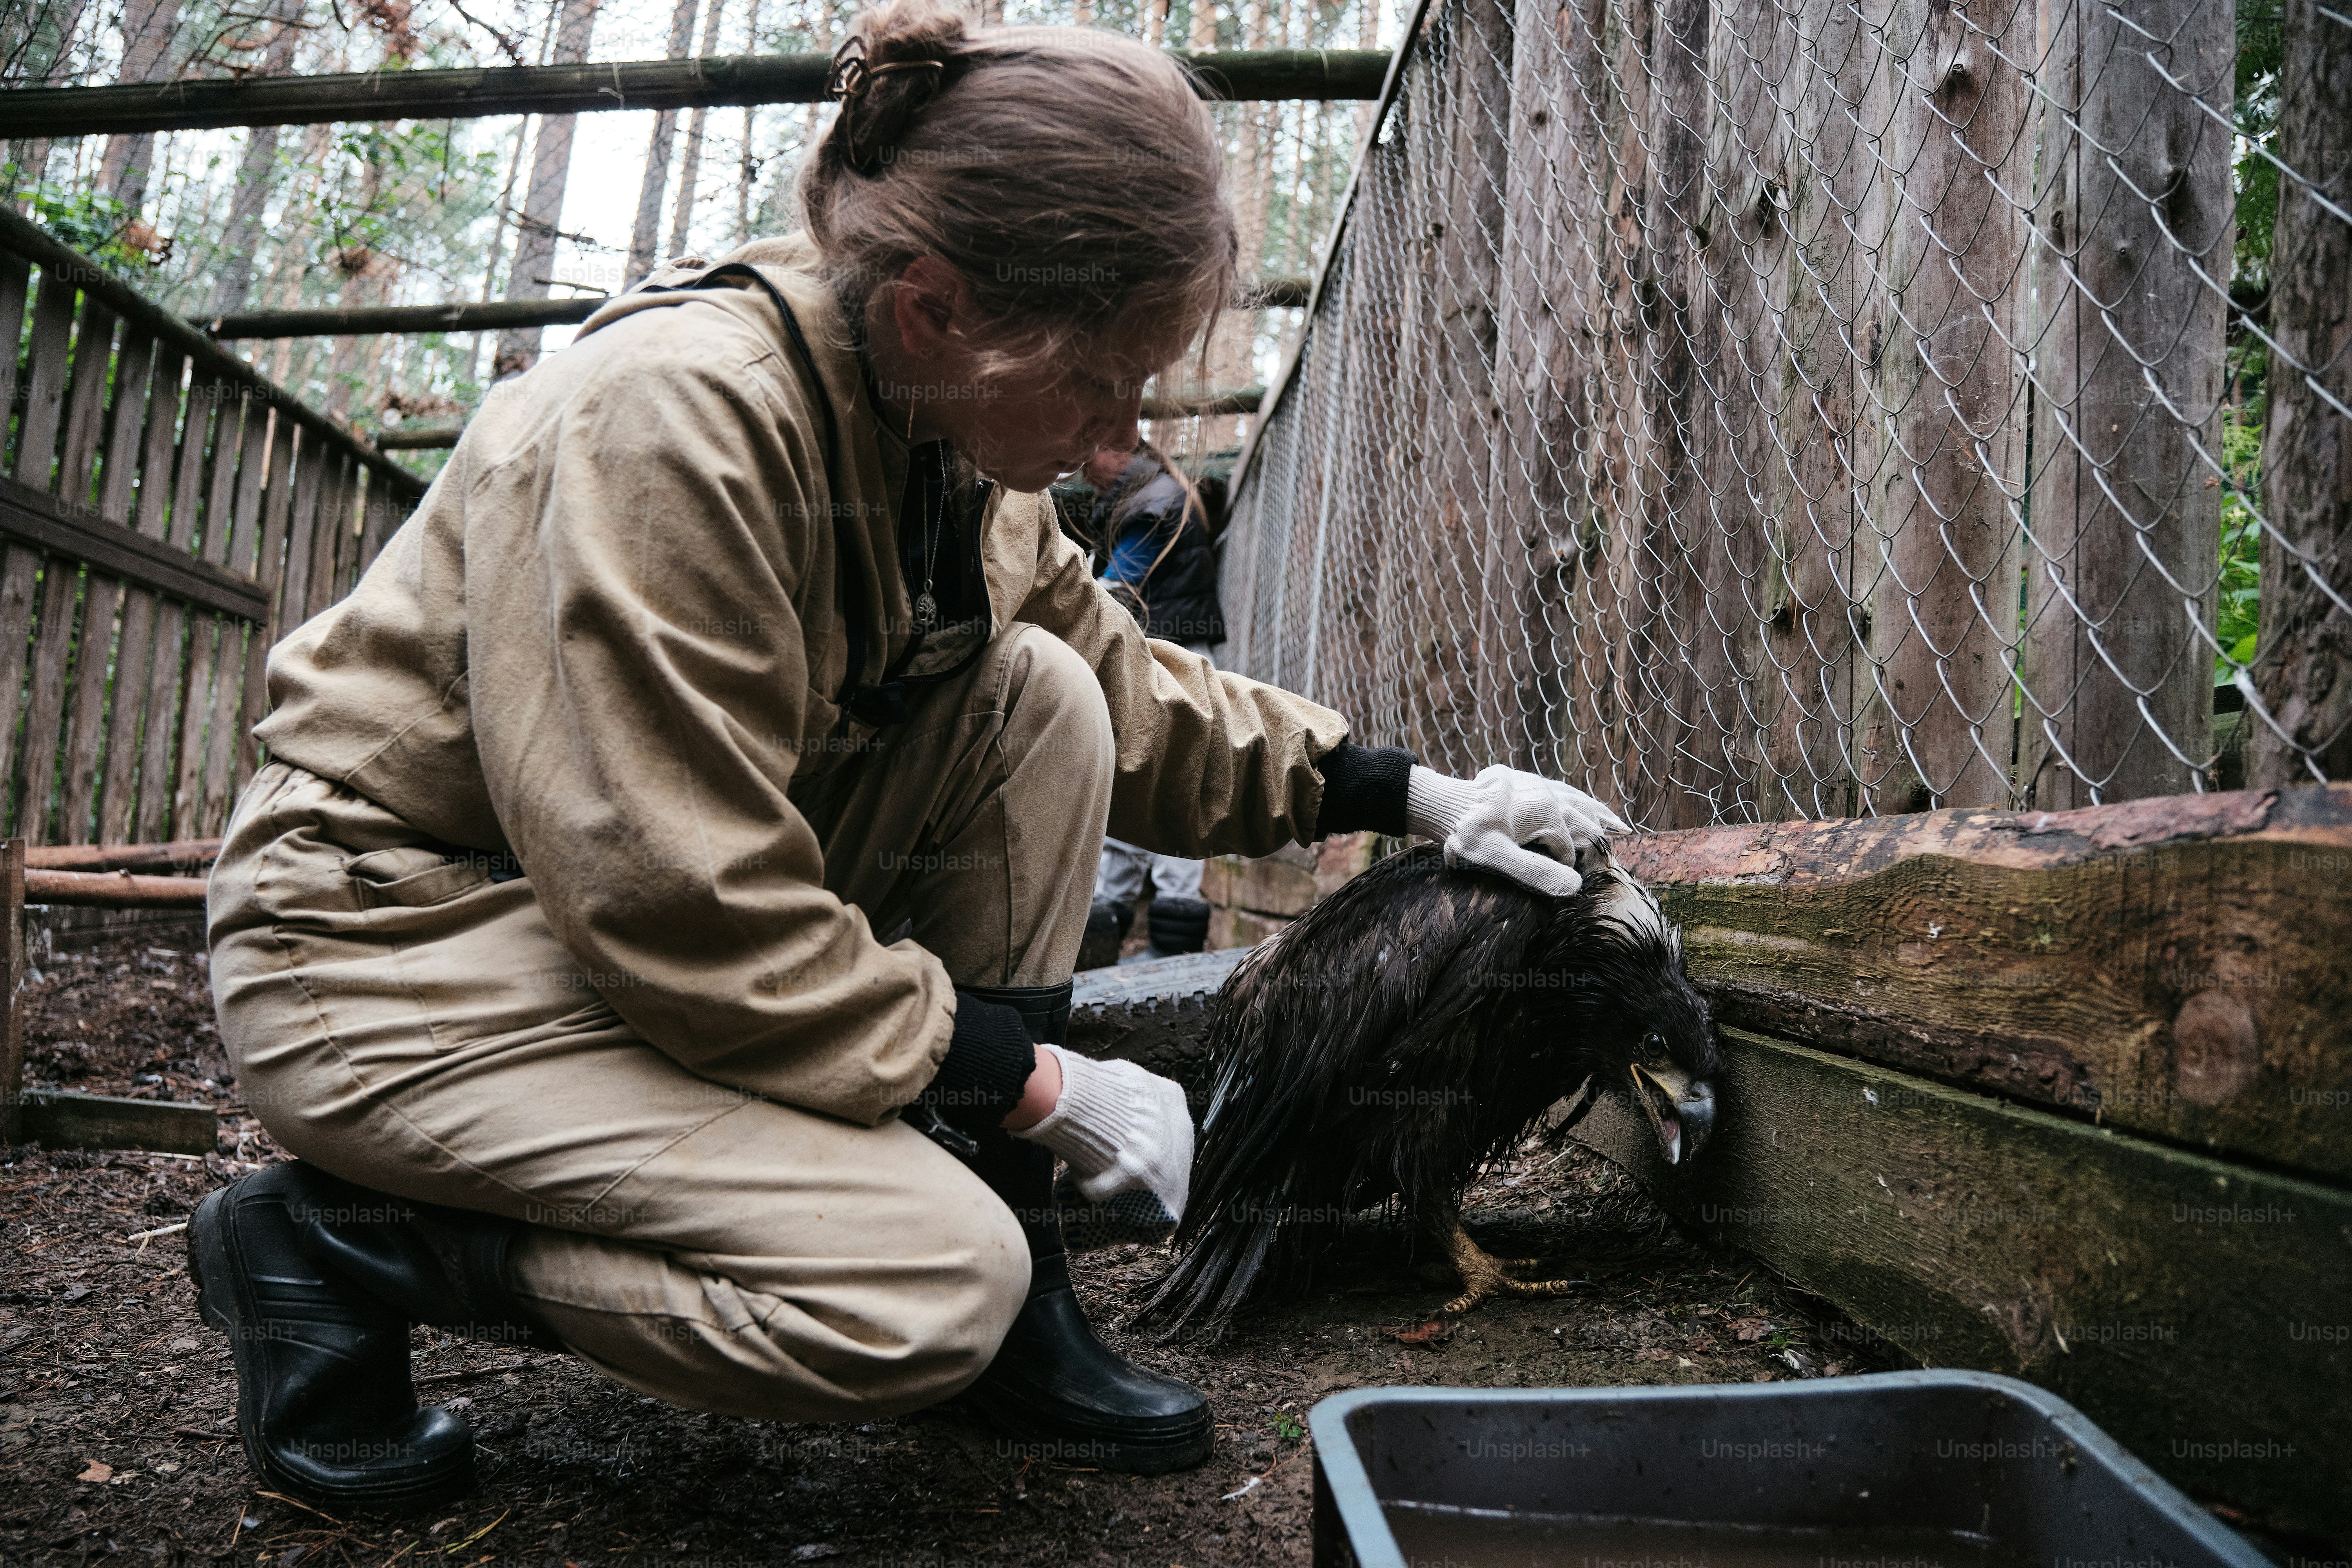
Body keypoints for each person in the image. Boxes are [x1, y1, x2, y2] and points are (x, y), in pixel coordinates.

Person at [187, 0, 1630, 1511]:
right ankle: (334, 1244)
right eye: (1096, 383)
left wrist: (1408, 794)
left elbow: (1130, 695)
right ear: (933, 304)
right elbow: (681, 902)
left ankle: (1020, 1313)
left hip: (608, 929)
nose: (1112, 439)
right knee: (917, 1291)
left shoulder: (943, 429)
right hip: (390, 943)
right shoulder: (671, 425)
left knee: (1042, 693)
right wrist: (1033, 1085)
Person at [1078, 442, 1223, 964]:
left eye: (1089, 448)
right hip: (1166, 656)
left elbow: (1108, 591)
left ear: (1117, 452)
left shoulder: (1153, 502)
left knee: (1175, 791)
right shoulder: (1153, 494)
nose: (1079, 462)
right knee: (1138, 781)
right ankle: (1105, 937)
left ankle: (1168, 953)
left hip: (1171, 661)